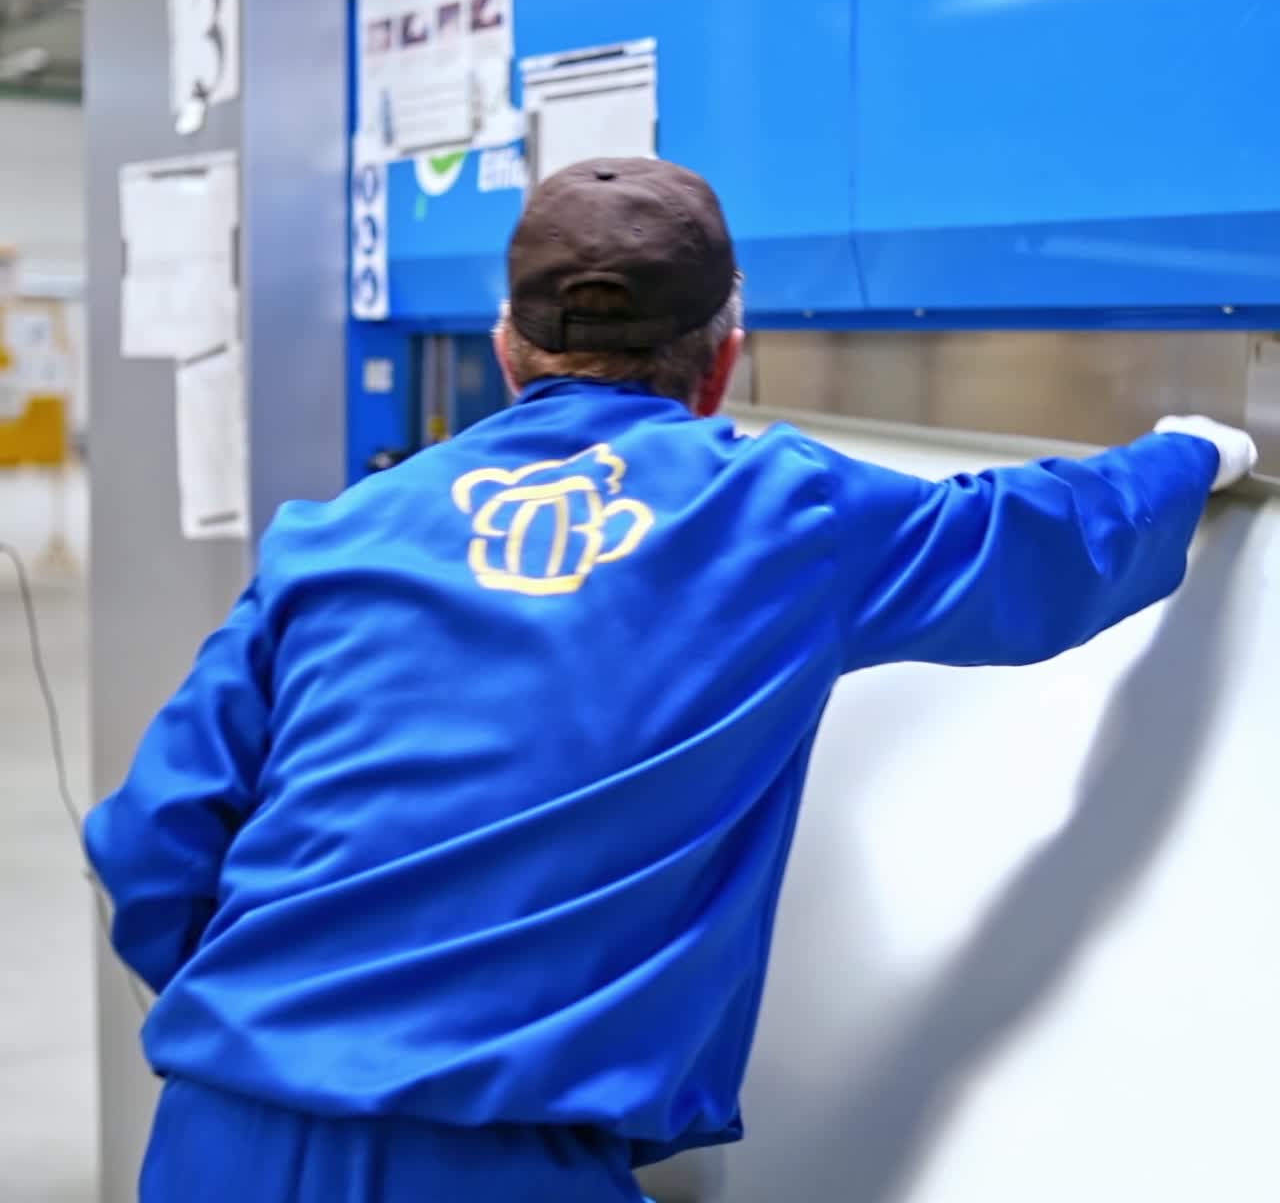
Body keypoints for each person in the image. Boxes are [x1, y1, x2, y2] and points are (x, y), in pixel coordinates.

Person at [85, 158, 1257, 1202]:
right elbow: (1040, 543)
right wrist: (1191, 453)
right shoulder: (779, 513)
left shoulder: (334, 533)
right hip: (495, 1159)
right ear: (721, 359)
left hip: (218, 1135)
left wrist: (276, 1028)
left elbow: (151, 836)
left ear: (505, 349)